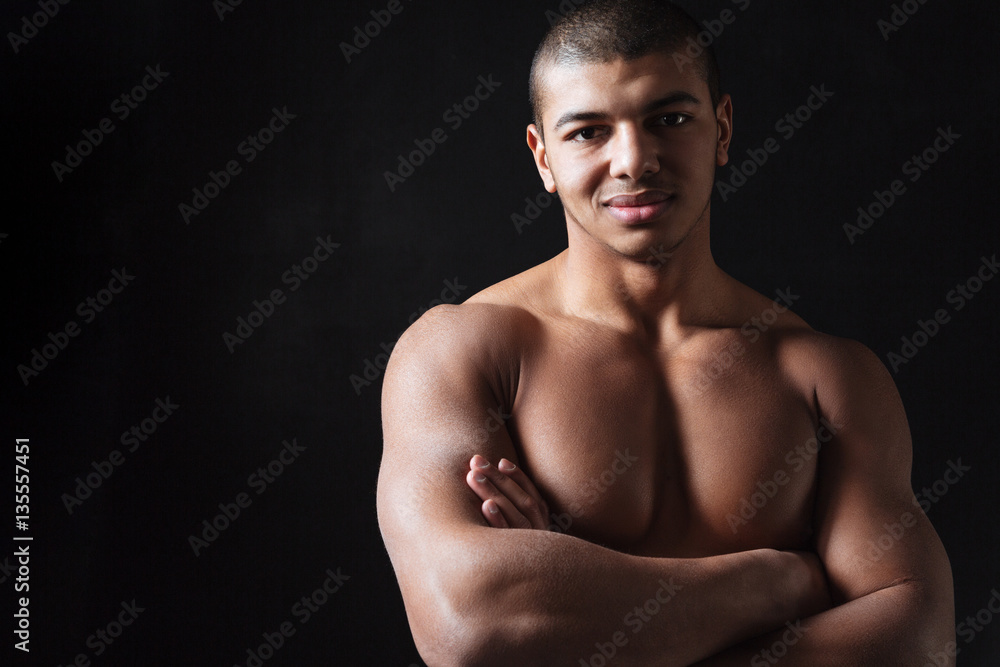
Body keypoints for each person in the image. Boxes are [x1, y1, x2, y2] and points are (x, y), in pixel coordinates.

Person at [376, 1, 955, 664]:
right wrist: (777, 582)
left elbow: (917, 636)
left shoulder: (826, 376)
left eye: (670, 119)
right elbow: (470, 620)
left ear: (723, 129)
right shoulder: (464, 352)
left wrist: (568, 609)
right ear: (542, 156)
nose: (633, 159)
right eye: (589, 131)